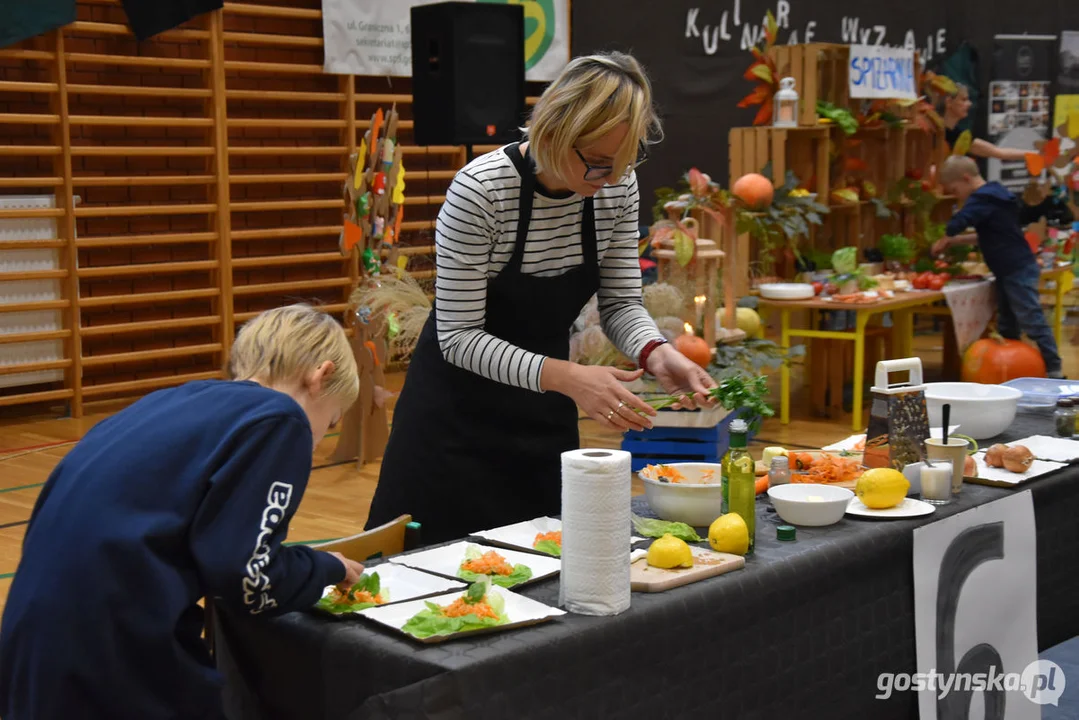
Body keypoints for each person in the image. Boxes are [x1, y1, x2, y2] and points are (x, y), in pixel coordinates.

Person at [365, 52, 716, 545]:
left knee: (546, 573)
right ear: (553, 133)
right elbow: (460, 338)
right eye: (597, 165)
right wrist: (569, 376)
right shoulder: (482, 189)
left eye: (624, 163)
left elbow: (619, 304)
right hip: (451, 423)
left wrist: (655, 352)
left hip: (542, 414)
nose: (611, 180)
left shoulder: (616, 185)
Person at [0, 304, 368, 719]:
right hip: (110, 647)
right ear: (319, 376)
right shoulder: (280, 419)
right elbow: (247, 576)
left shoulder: (171, 400)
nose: (317, 441)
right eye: (330, 423)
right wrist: (322, 568)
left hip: (31, 636)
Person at [932, 156, 1064, 378]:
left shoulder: (981, 199)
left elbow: (960, 221)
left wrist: (947, 235)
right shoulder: (995, 197)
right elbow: (986, 235)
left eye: (955, 190)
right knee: (1007, 321)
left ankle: (1054, 370)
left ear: (966, 178)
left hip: (1015, 268)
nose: (957, 197)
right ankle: (1011, 370)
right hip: (1010, 269)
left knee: (1031, 319)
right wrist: (952, 241)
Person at [939, 83, 1028, 161]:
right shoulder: (933, 130)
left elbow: (998, 152)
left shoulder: (959, 136)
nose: (969, 103)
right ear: (949, 102)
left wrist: (1036, 154)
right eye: (963, 99)